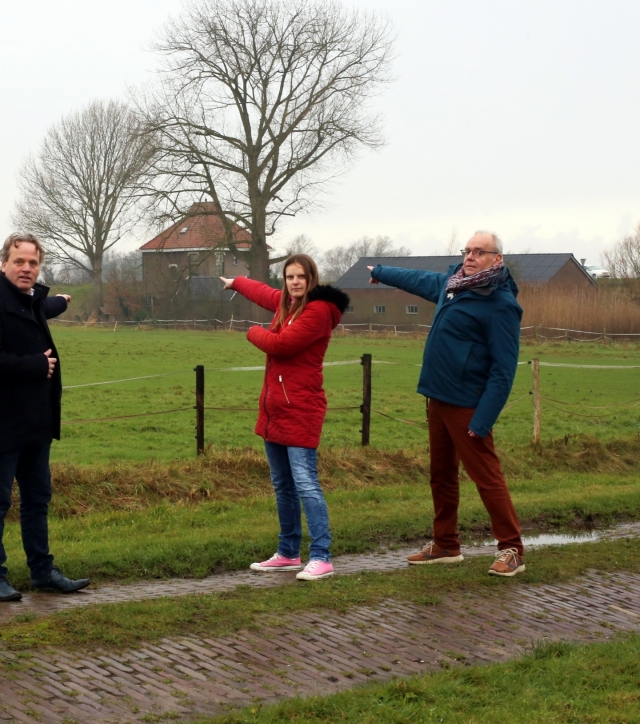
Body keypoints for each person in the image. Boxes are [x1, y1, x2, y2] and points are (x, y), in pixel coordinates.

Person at [367, 230, 526, 577]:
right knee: (441, 476)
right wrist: (380, 271)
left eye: (479, 252)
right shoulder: (453, 285)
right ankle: (446, 545)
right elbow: (417, 279)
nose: (470, 256)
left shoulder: (500, 305)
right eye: (467, 250)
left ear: (497, 259)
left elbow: (503, 371)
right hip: (437, 397)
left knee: (486, 477)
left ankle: (512, 548)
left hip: (468, 405)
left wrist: (482, 419)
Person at [0, 232, 89, 602]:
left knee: (37, 499)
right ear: (3, 263)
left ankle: (42, 571)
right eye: (19, 261)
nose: (26, 268)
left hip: (37, 420)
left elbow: (45, 305)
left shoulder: (33, 301)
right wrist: (35, 365)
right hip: (3, 421)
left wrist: (62, 301)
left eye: (33, 263)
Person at [221, 255, 350, 582]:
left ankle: (321, 556)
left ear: (311, 279)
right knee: (283, 485)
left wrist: (252, 332)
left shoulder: (318, 311)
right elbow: (264, 293)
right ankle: (289, 552)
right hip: (276, 410)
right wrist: (236, 282)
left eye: (301, 277)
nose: (294, 282)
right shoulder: (288, 305)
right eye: (290, 277)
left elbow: (282, 345)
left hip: (301, 409)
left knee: (305, 484)